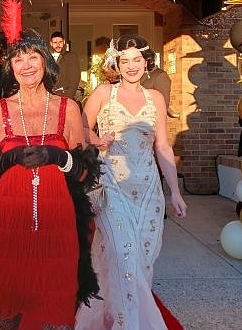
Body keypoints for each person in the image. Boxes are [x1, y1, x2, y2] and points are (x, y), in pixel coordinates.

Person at [0, 0, 100, 329]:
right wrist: (6, 159)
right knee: (8, 305)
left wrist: (57, 156)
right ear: (10, 67)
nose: (26, 65)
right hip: (7, 215)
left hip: (58, 215)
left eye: (32, 56)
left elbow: (85, 174)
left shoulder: (68, 107)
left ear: (45, 61)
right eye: (18, 59)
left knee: (58, 304)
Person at [75, 36, 187, 330]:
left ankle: (118, 314)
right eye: (125, 60)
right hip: (111, 185)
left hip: (149, 190)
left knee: (142, 260)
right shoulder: (103, 93)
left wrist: (174, 191)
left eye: (137, 59)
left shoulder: (156, 98)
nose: (132, 66)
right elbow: (79, 127)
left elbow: (162, 146)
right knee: (121, 253)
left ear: (147, 62)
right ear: (117, 64)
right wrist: (99, 140)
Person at [50, 31, 81, 101]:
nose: (58, 45)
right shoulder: (48, 57)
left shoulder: (71, 56)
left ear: (64, 42)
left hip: (64, 96)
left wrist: (67, 98)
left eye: (60, 42)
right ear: (51, 43)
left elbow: (75, 80)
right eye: (55, 42)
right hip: (50, 98)